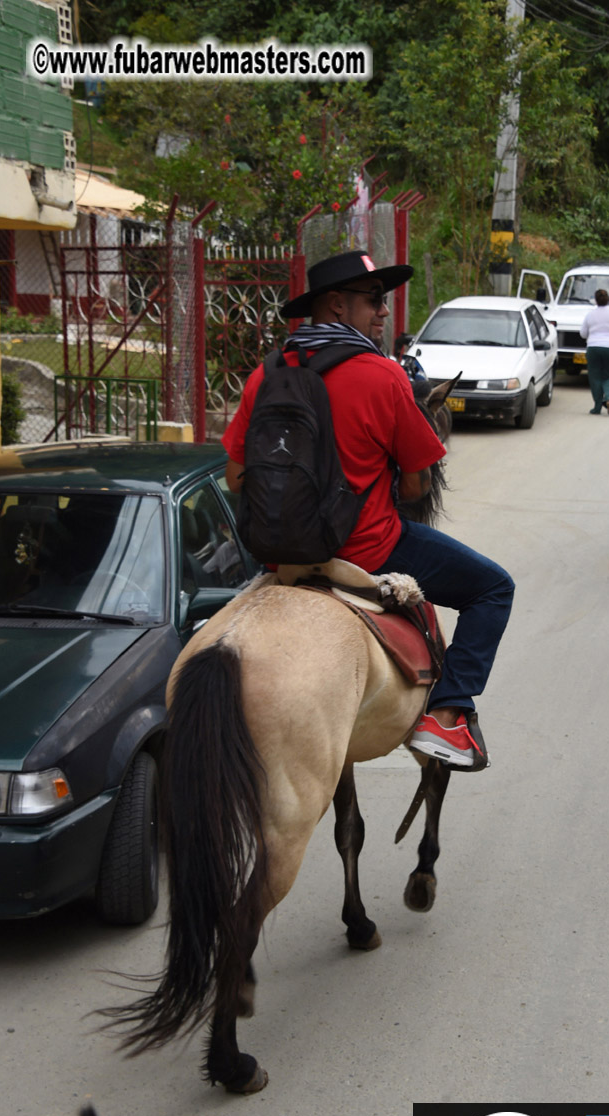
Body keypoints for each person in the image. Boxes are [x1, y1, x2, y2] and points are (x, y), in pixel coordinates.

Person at [222, 249, 514, 770]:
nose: (384, 312)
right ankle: (447, 718)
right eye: (375, 301)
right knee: (493, 588)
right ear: (337, 306)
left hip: (277, 557)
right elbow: (415, 486)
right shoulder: (384, 376)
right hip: (368, 550)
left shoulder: (263, 376)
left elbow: (235, 478)